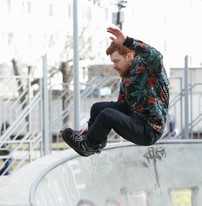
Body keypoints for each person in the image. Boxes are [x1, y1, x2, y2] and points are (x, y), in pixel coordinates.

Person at [61, 26, 169, 157]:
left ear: (129, 56)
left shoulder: (149, 67)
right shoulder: (126, 77)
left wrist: (127, 41)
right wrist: (93, 127)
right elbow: (121, 105)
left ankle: (88, 146)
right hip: (135, 119)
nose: (114, 65)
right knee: (98, 108)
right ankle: (92, 140)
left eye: (117, 61)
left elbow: (156, 56)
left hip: (149, 129)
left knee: (107, 114)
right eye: (113, 62)